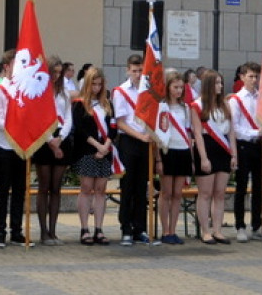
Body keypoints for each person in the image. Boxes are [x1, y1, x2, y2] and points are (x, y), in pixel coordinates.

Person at [0, 49, 31, 247]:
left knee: (19, 190)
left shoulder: (23, 90)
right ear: (6, 67)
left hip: (21, 147)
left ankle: (16, 231)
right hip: (5, 146)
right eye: (16, 64)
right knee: (2, 190)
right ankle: (0, 232)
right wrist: (13, 126)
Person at [230, 61, 262, 242]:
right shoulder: (236, 100)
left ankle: (257, 225)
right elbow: (235, 127)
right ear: (242, 77)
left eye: (256, 76)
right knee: (241, 187)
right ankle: (240, 226)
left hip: (260, 146)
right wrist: (255, 133)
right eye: (250, 76)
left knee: (259, 187)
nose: (254, 80)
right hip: (244, 145)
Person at [191, 70, 236, 244]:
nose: (220, 86)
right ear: (209, 85)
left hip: (223, 149)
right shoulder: (197, 106)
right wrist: (203, 158)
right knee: (205, 193)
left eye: (221, 83)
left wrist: (234, 155)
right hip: (207, 147)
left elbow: (231, 132)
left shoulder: (225, 105)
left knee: (220, 193)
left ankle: (218, 230)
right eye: (217, 83)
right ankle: (205, 231)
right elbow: (197, 133)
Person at [72, 66, 115, 246]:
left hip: (105, 151)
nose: (97, 88)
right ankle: (84, 229)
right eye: (94, 84)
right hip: (87, 151)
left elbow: (113, 127)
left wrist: (106, 146)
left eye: (99, 84)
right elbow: (80, 130)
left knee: (101, 190)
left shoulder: (107, 104)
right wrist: (97, 146)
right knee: (86, 188)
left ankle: (99, 228)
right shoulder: (80, 104)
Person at [31, 56, 72, 245]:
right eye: (53, 72)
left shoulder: (64, 93)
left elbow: (68, 117)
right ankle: (43, 232)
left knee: (56, 188)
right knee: (44, 187)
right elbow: (37, 118)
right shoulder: (39, 92)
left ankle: (53, 231)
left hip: (61, 136)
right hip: (44, 139)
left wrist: (60, 138)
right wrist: (51, 141)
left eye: (59, 72)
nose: (56, 76)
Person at [112, 53, 151, 245]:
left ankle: (140, 228)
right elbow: (120, 122)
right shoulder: (121, 91)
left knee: (141, 187)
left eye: (140, 71)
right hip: (129, 142)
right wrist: (140, 136)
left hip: (146, 142)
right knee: (127, 186)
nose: (137, 74)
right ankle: (126, 228)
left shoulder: (147, 91)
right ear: (128, 70)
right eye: (134, 71)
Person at [155, 69, 192, 245]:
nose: (178, 90)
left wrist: (191, 158)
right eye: (175, 87)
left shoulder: (186, 108)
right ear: (168, 87)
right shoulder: (161, 107)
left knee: (178, 193)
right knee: (166, 192)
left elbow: (188, 133)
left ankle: (173, 229)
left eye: (181, 87)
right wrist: (158, 159)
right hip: (167, 151)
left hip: (183, 150)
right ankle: (165, 231)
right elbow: (157, 135)